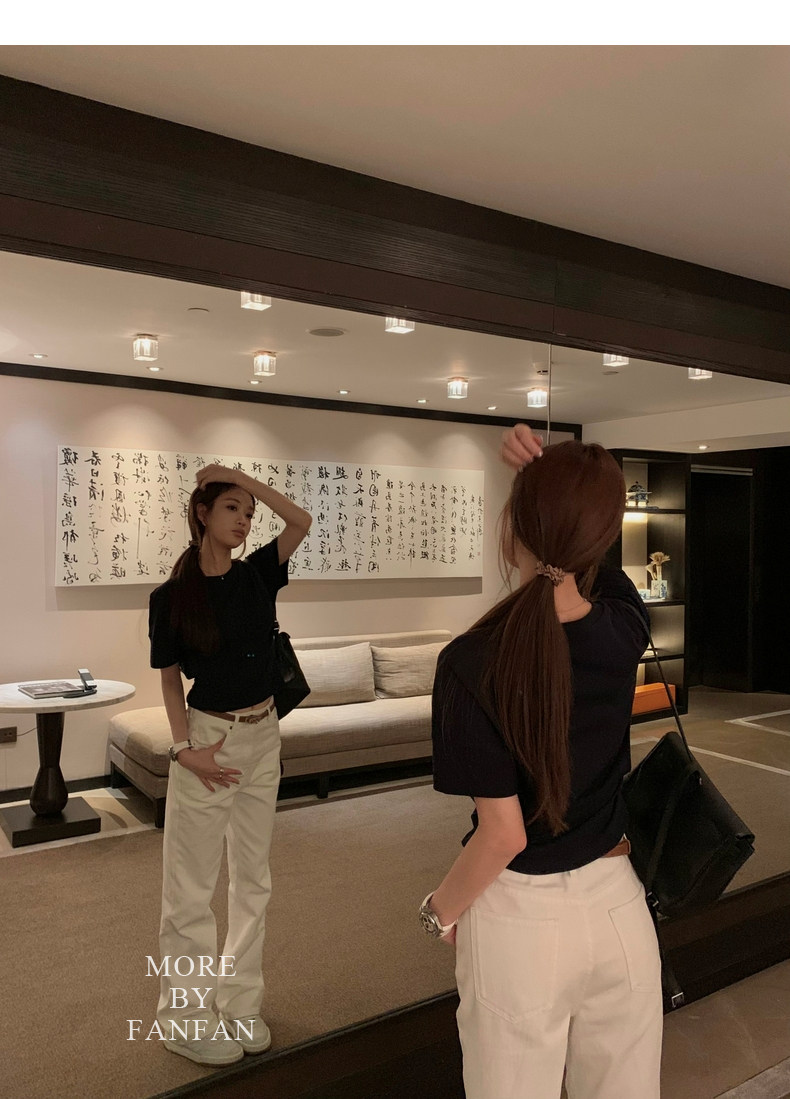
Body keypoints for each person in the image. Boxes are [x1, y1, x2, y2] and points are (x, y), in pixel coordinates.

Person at [420, 425, 663, 1099]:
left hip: (519, 922)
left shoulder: (470, 662)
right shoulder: (625, 629)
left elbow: (504, 835)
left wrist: (439, 910)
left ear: (510, 532)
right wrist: (559, 489)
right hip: (620, 909)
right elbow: (601, 572)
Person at [148, 464, 311, 1066]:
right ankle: (183, 1017)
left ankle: (239, 1000)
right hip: (207, 742)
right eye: (231, 508)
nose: (244, 520)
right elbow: (170, 680)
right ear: (202, 514)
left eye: (248, 512)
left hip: (263, 736)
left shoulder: (257, 574)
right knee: (190, 888)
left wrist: (238, 477)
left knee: (253, 880)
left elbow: (301, 520)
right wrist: (183, 749)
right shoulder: (172, 597)